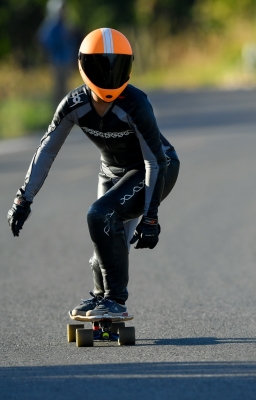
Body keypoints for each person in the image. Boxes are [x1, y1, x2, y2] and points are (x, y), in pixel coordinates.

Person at [7, 28, 180, 317]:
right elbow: (47, 150)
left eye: (117, 66)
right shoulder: (74, 105)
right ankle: (102, 298)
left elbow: (154, 161)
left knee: (100, 215)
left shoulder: (136, 104)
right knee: (103, 245)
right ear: (83, 65)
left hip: (158, 167)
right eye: (101, 67)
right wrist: (23, 198)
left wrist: (151, 217)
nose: (109, 76)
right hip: (112, 171)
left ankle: (115, 301)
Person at [38, 0, 82, 108]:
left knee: (66, 87)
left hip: (66, 60)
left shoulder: (67, 25)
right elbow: (45, 41)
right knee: (58, 88)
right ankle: (56, 111)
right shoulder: (51, 26)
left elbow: (72, 42)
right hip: (57, 61)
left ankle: (65, 111)